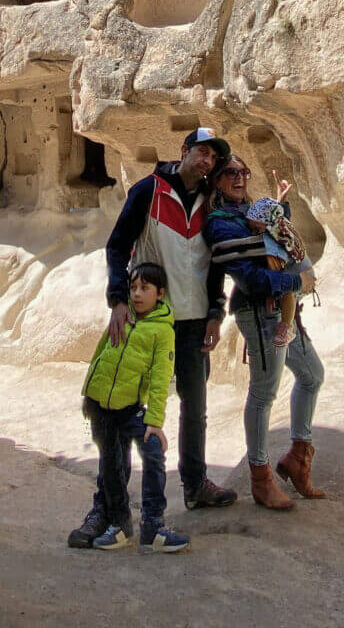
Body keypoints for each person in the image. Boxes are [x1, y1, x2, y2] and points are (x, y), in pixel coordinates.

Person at [68, 128, 237, 549]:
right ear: (184, 151)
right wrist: (118, 299)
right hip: (148, 321)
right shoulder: (149, 190)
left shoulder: (211, 203)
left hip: (195, 322)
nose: (207, 162)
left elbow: (215, 263)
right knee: (122, 412)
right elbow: (117, 247)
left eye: (213, 158)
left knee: (194, 408)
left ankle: (195, 486)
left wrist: (217, 312)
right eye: (202, 153)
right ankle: (109, 507)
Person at [204, 156, 326, 511]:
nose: (240, 178)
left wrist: (281, 205)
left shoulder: (246, 212)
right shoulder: (221, 223)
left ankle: (298, 458)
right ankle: (260, 479)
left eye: (244, 172)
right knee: (263, 393)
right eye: (231, 173)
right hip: (259, 312)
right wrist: (297, 280)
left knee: (312, 375)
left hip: (284, 309)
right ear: (217, 180)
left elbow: (272, 233)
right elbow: (251, 277)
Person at [80, 262, 190, 553]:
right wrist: (87, 394)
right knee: (111, 466)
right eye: (133, 287)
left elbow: (160, 376)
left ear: (160, 293)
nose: (138, 294)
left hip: (130, 408)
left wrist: (154, 419)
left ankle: (153, 527)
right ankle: (120, 526)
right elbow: (101, 351)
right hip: (101, 406)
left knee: (153, 453)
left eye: (145, 288)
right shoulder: (123, 314)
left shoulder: (162, 330)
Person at [245, 196, 310, 348]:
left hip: (296, 272)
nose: (253, 232)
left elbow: (277, 273)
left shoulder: (274, 240)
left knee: (287, 291)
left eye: (256, 229)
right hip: (297, 267)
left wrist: (271, 294)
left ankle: (286, 327)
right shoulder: (277, 224)